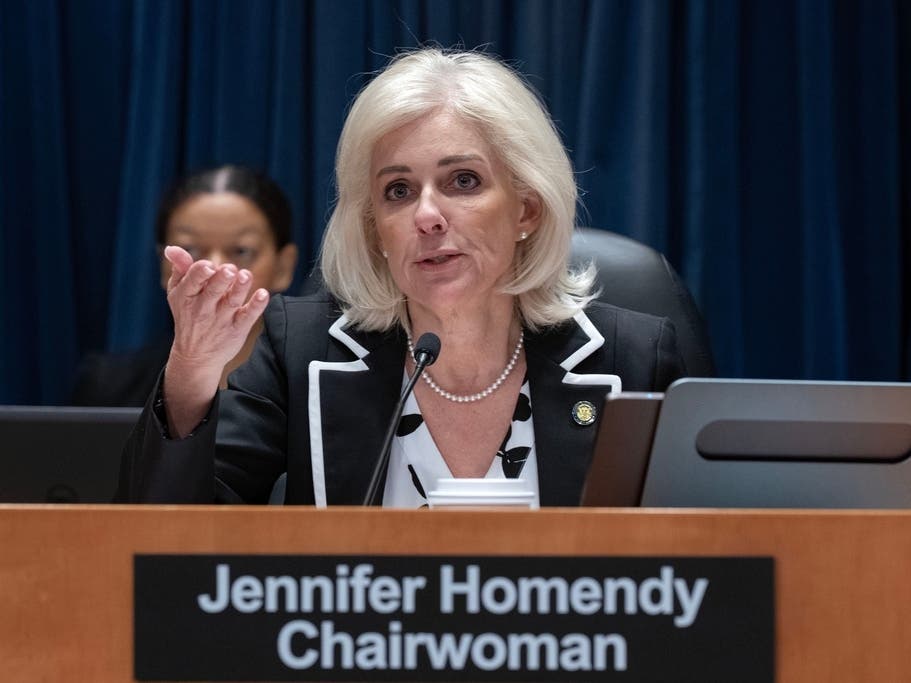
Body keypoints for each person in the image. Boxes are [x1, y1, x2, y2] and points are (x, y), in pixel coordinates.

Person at [117, 48, 684, 506]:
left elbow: (707, 568)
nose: (427, 215)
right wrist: (191, 371)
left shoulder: (631, 360)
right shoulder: (301, 353)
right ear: (374, 231)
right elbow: (169, 547)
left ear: (527, 210)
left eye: (463, 181)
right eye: (398, 190)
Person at [71, 165, 298, 406]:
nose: (214, 269)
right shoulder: (108, 387)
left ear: (283, 266)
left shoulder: (313, 386)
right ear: (164, 264)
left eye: (241, 251)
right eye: (189, 250)